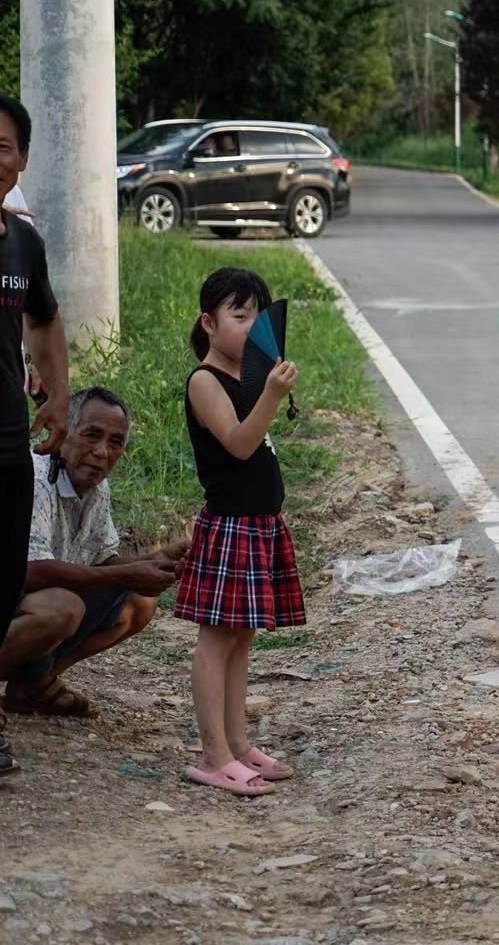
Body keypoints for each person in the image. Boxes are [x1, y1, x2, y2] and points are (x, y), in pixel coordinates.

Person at [176, 267, 302, 796]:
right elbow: (240, 443)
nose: (251, 327)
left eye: (258, 317)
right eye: (239, 315)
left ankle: (238, 741)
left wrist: (266, 387)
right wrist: (272, 395)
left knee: (242, 635)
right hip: (229, 527)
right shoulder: (205, 381)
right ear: (209, 322)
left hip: (257, 525)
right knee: (217, 638)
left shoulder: (247, 377)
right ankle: (212, 754)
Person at [0, 389, 181, 717]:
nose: (102, 452)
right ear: (62, 434)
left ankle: (36, 684)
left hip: (30, 602)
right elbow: (31, 573)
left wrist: (159, 559)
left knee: (139, 604)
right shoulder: (36, 477)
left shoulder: (95, 485)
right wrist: (128, 573)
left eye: (115, 442)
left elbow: (100, 561)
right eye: (91, 435)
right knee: (62, 608)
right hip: (18, 595)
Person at [0, 95, 69, 778]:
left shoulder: (23, 243)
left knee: (4, 581)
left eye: (2, 145)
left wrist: (60, 395)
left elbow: (44, 321)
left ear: (19, 161)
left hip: (8, 438)